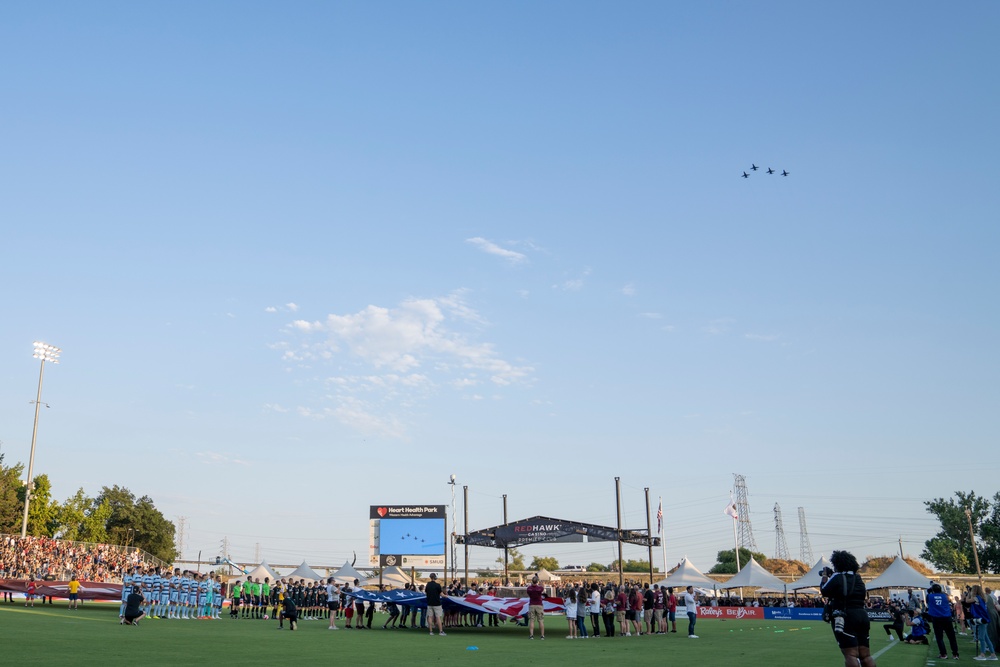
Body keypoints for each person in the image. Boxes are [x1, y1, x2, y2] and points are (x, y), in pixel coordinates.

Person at [820, 550, 876, 667]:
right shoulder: (858, 578)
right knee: (865, 655)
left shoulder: (837, 576)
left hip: (845, 616)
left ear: (838, 564)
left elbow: (824, 590)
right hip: (862, 615)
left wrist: (825, 575)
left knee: (850, 654)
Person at [925, 583, 959, 660]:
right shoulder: (945, 596)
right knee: (951, 637)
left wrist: (930, 592)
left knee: (939, 637)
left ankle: (943, 654)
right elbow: (949, 599)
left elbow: (927, 601)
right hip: (947, 617)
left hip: (936, 618)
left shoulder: (930, 596)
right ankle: (955, 654)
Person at [970, 584, 998, 661]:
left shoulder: (976, 598)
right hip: (984, 618)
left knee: (981, 637)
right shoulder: (983, 598)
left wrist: (969, 594)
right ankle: (993, 654)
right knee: (986, 638)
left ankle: (983, 654)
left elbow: (967, 601)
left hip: (981, 618)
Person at [526, 575, 546, 640]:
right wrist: (539, 580)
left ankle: (531, 635)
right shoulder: (539, 588)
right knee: (540, 620)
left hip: (532, 604)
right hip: (539, 605)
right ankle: (542, 635)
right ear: (537, 581)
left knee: (532, 620)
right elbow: (542, 587)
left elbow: (528, 593)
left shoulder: (529, 588)